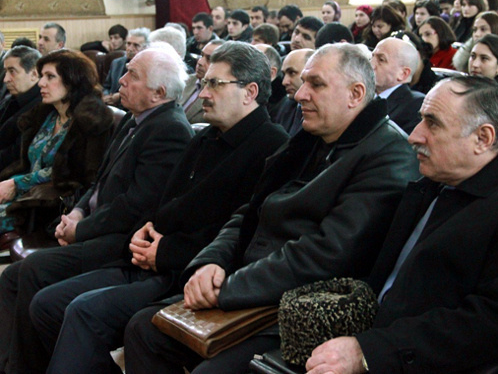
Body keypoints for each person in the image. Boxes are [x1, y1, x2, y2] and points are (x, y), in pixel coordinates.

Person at [123, 43, 420, 374]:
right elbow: (250, 211)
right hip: (252, 281)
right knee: (144, 328)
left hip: (299, 306)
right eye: (303, 81)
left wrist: (228, 287)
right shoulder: (312, 137)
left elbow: (327, 254)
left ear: (356, 94)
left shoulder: (388, 155)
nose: (299, 94)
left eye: (316, 84)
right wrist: (211, 260)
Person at [29, 41, 289, 374]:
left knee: (85, 311)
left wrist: (164, 251)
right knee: (48, 304)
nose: (203, 92)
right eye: (205, 81)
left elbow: (241, 232)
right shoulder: (206, 138)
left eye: (214, 84)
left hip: (190, 274)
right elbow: (164, 204)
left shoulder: (272, 146)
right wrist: (144, 233)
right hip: (152, 259)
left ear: (250, 91)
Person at [0, 45, 194, 374]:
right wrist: (75, 213)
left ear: (158, 92)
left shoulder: (170, 130)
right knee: (11, 278)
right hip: (94, 226)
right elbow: (96, 182)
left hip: (118, 241)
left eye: (132, 75)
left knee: (34, 272)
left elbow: (136, 206)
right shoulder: (136, 121)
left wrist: (81, 229)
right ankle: (12, 365)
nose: (120, 80)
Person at [306, 75, 498, 374]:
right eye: (421, 119)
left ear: (483, 139)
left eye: (433, 123)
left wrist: (369, 352)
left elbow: (488, 324)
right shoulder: (430, 185)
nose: (414, 136)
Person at [0, 49, 114, 236]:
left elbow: (79, 175)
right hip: (24, 196)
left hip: (50, 205)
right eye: (42, 76)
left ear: (72, 81)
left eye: (50, 76)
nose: (41, 83)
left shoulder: (92, 120)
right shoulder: (46, 114)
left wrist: (16, 183)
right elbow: (27, 163)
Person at [0, 46, 42, 173]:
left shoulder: (41, 106)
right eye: (5, 71)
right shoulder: (12, 98)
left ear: (34, 74)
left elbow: (14, 155)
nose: (5, 79)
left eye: (12, 71)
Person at [371, 38, 426, 133]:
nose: (371, 64)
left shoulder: (415, 106)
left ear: (403, 74)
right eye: (372, 57)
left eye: (381, 60)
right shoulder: (362, 96)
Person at [102, 27, 150, 107]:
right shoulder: (116, 63)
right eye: (128, 44)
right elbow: (106, 86)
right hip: (111, 106)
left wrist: (120, 96)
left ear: (145, 48)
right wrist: (107, 96)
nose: (130, 49)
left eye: (136, 45)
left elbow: (143, 93)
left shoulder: (147, 67)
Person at [180, 39, 224, 124]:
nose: (200, 62)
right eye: (201, 56)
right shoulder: (185, 80)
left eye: (209, 59)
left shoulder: (221, 94)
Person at [272, 48, 314, 136]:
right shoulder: (285, 105)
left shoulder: (320, 111)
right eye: (284, 74)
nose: (284, 82)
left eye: (292, 73)